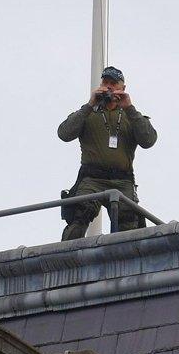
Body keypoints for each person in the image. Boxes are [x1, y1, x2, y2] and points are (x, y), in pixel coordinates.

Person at [57, 66, 157, 240]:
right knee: (80, 214)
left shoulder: (130, 115)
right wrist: (90, 105)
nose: (109, 87)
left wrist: (129, 108)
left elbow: (149, 140)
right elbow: (64, 134)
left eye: (113, 83)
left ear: (122, 88)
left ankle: (126, 263)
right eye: (105, 82)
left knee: (129, 223)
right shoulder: (88, 113)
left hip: (122, 179)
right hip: (92, 178)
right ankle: (66, 259)